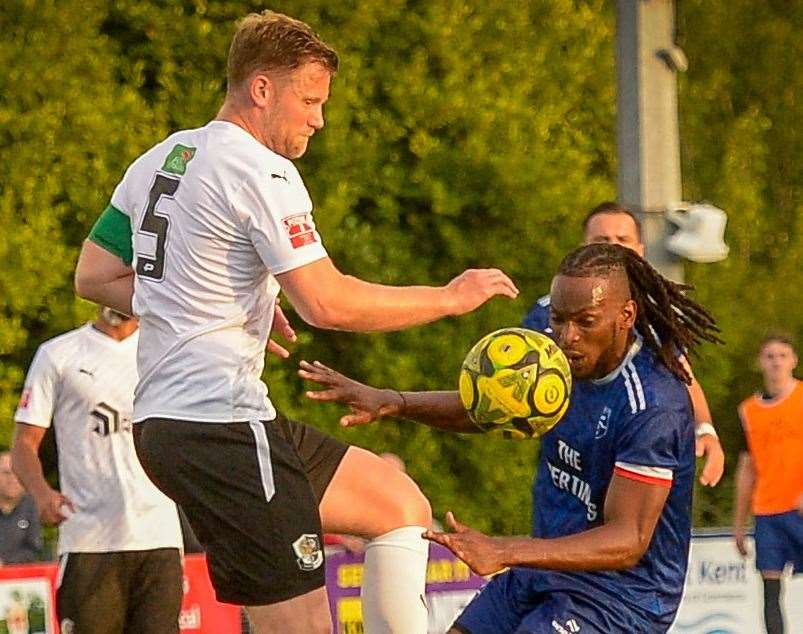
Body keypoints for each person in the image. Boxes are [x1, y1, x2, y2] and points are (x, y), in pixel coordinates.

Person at [72, 10, 517, 634]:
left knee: (399, 504)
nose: (318, 118)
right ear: (262, 89)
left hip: (173, 426)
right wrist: (449, 296)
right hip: (220, 428)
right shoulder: (261, 169)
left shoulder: (162, 157)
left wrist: (218, 291)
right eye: (309, 99)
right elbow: (328, 303)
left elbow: (92, 275)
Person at [300, 243, 723, 633]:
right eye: (559, 319)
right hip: (541, 569)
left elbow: (627, 540)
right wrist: (393, 401)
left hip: (619, 600)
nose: (566, 336)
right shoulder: (550, 344)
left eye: (585, 322)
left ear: (626, 316)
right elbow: (489, 405)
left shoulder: (652, 405)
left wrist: (503, 550)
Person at [523, 201, 725, 487]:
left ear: (640, 250)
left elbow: (681, 371)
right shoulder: (547, 311)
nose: (613, 246)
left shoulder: (656, 315)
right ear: (584, 247)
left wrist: (704, 428)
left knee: (627, 526)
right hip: (564, 473)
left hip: (628, 459)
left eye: (623, 239)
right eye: (602, 240)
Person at [12, 307, 184, 634]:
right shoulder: (58, 354)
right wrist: (41, 493)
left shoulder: (166, 351)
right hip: (89, 539)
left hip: (158, 535)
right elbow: (24, 443)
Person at [733, 334, 803, 634]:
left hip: (799, 506)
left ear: (794, 361)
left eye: (782, 355)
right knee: (770, 588)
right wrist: (739, 522)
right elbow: (747, 466)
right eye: (770, 356)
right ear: (760, 362)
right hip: (768, 511)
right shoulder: (748, 411)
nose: (776, 362)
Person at [0, 451, 42, 565]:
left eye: (17, 473)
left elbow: (33, 549)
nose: (13, 479)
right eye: (6, 473)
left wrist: (5, 563)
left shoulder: (31, 506)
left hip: (19, 578)